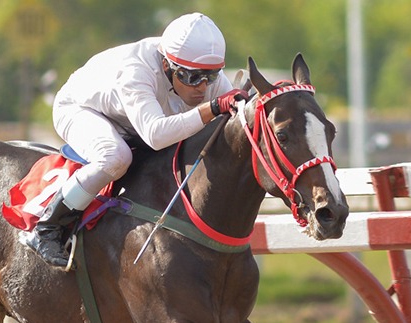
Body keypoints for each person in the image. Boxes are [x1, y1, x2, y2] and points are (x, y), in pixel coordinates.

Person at [24, 12, 249, 267]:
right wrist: (212, 108)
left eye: (211, 76)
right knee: (115, 157)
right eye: (192, 77)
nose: (203, 87)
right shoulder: (137, 71)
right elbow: (155, 135)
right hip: (81, 109)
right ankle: (46, 228)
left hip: (130, 121)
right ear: (167, 65)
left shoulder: (201, 74)